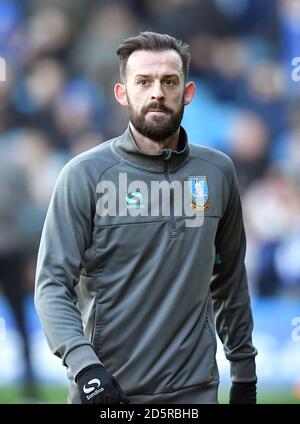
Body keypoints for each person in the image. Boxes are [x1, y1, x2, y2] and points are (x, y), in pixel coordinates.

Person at [35, 31, 257, 404]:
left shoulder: (218, 173)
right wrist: (86, 368)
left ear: (187, 93)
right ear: (122, 93)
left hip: (195, 394)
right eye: (144, 82)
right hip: (106, 393)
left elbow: (230, 280)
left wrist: (244, 377)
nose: (157, 92)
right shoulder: (84, 175)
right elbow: (51, 286)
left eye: (169, 81)